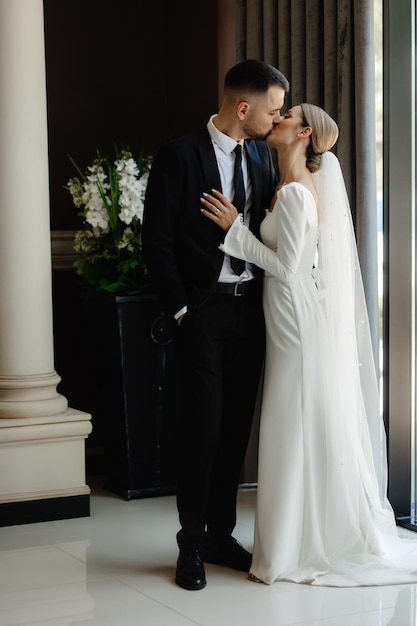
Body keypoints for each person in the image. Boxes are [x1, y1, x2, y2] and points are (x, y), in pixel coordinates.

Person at [200, 103, 417, 586]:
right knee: (289, 425)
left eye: (286, 114)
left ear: (302, 133)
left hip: (295, 322)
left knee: (288, 421)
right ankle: (288, 541)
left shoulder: (298, 193)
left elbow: (288, 267)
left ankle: (292, 549)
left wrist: (234, 230)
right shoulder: (284, 185)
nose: (275, 118)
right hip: (282, 317)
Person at [142, 59, 290, 590]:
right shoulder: (179, 155)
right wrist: (181, 309)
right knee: (201, 427)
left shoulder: (261, 154)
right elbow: (155, 240)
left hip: (251, 310)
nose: (277, 120)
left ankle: (221, 535)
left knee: (233, 430)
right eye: (272, 110)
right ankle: (190, 542)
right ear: (242, 107)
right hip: (202, 313)